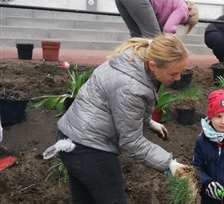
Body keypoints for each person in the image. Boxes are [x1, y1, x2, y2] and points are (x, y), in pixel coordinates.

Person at [43, 34, 189, 204]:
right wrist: (169, 163)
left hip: (72, 138)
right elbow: (131, 142)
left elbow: (115, 105)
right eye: (174, 73)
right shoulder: (130, 87)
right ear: (153, 65)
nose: (178, 78)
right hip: (89, 148)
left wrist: (148, 121)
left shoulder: (133, 58)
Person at [114, 0, 199, 38]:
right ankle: (156, 63)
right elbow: (168, 30)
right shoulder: (184, 10)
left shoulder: (175, 3)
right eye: (184, 24)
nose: (180, 23)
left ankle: (130, 62)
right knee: (154, 38)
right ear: (190, 17)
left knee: (137, 37)